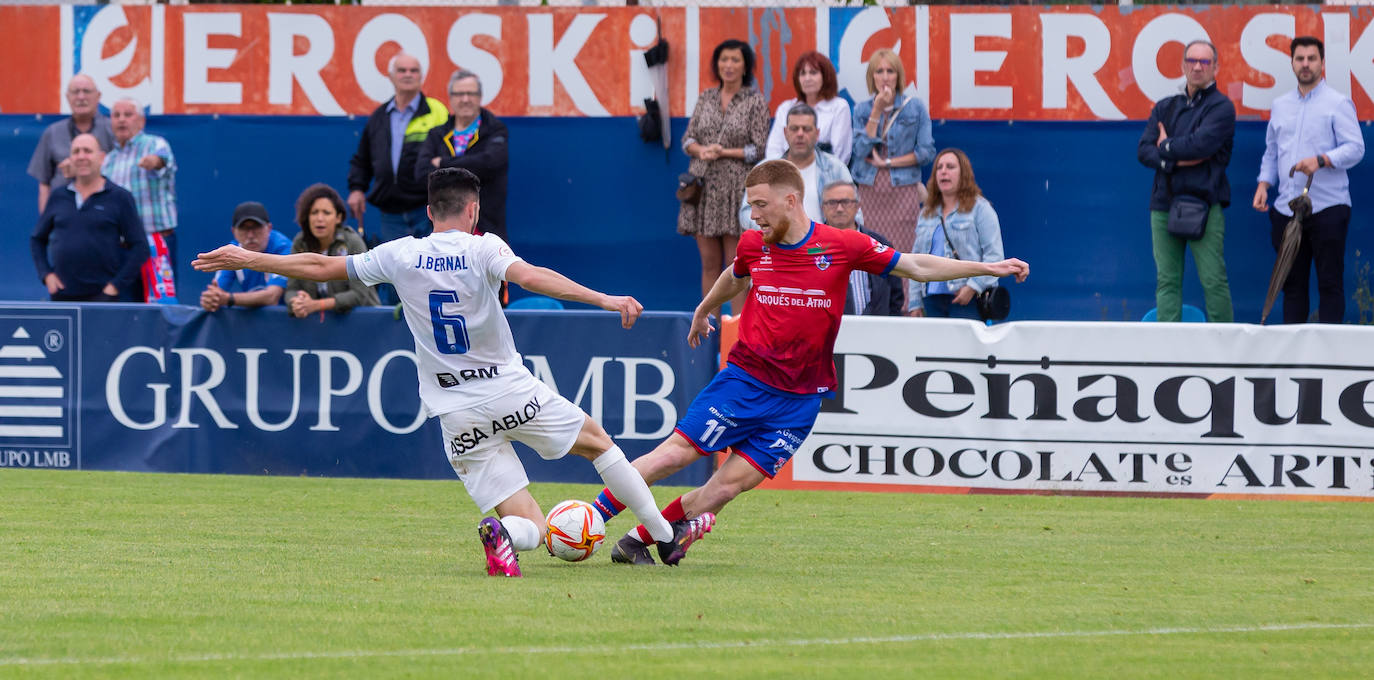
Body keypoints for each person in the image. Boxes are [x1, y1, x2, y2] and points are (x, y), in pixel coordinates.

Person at [193, 168, 712, 576]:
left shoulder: (400, 253)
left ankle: (506, 538)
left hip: (453, 412)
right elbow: (532, 277)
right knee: (600, 443)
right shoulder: (483, 245)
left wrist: (252, 258)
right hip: (509, 391)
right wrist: (603, 298)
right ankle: (665, 542)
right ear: (473, 210)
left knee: (527, 521)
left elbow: (321, 268)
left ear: (427, 211)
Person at [591, 160, 1028, 565]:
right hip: (745, 382)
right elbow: (734, 275)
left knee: (725, 487)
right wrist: (705, 308)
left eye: (761, 205)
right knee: (675, 454)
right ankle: (588, 522)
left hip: (799, 403)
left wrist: (987, 268)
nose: (754, 215)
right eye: (750, 206)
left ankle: (637, 543)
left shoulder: (841, 245)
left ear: (791, 200)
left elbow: (915, 265)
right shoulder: (752, 244)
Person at [1253, 36, 1365, 324]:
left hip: (1328, 208)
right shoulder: (1280, 105)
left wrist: (1322, 160)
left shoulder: (1338, 103)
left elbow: (1356, 148)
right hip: (1286, 210)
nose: (1305, 64)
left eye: (1311, 58)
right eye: (1299, 58)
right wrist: (1264, 184)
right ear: (1292, 63)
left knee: (1329, 285)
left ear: (1322, 63)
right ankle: (1295, 360)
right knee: (1292, 287)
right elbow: (1272, 150)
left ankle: (1329, 361)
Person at [1137, 40, 1235, 323]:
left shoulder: (1222, 108)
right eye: (1192, 60)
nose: (1197, 67)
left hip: (1205, 205)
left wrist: (1165, 146)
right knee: (1167, 282)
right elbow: (1144, 150)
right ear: (1182, 65)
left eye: (1205, 62)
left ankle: (1226, 351)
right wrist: (1173, 157)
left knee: (1213, 281)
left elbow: (1201, 146)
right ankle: (1169, 352)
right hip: (1163, 205)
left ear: (1215, 67)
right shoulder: (1165, 107)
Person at [347, 53, 449, 305]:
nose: (407, 75)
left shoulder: (437, 111)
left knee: (431, 273)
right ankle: (397, 335)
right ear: (391, 76)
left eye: (413, 70)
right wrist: (357, 189)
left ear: (421, 76)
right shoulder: (379, 117)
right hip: (390, 212)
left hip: (427, 208)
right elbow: (362, 158)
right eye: (402, 70)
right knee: (395, 275)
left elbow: (451, 154)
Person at [678, 38, 770, 319]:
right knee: (709, 263)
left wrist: (724, 152)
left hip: (736, 188)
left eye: (735, 60)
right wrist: (701, 150)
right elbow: (687, 139)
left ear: (745, 66)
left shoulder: (754, 100)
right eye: (723, 60)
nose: (728, 66)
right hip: (704, 188)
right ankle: (710, 325)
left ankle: (736, 328)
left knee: (736, 265)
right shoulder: (706, 96)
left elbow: (760, 147)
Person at [30, 134, 147, 302]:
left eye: (87, 151)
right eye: (76, 152)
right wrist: (46, 275)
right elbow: (37, 239)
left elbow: (140, 247)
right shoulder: (58, 196)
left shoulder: (120, 197)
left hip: (104, 298)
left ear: (102, 158)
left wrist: (115, 286)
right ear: (70, 158)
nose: (81, 156)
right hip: (62, 296)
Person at [850, 49, 935, 254]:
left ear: (899, 76)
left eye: (890, 71)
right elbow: (860, 150)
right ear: (872, 76)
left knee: (903, 255)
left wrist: (888, 163)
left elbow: (926, 152)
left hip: (903, 189)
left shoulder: (915, 107)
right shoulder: (862, 109)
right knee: (871, 253)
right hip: (869, 189)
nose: (885, 77)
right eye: (879, 71)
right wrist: (877, 111)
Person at [906, 149, 1006, 319]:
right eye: (939, 167)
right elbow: (916, 259)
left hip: (967, 300)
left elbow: (995, 256)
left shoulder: (981, 209)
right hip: (930, 299)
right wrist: (915, 302)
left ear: (964, 174)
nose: (943, 171)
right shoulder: (926, 213)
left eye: (950, 167)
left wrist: (973, 287)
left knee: (964, 346)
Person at [416, 70, 509, 243]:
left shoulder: (495, 130)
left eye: (471, 93)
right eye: (459, 94)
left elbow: (490, 163)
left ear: (480, 97)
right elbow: (422, 174)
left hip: (485, 230)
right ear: (450, 98)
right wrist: (472, 166)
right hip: (440, 232)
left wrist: (442, 163)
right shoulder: (437, 134)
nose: (465, 99)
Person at [102, 98, 178, 302]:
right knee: (126, 309)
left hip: (156, 242)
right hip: (123, 249)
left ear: (142, 121)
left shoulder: (155, 144)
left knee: (161, 311)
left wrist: (155, 162)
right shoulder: (108, 161)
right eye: (116, 115)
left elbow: (164, 161)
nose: (121, 120)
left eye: (128, 114)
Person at [738, 103, 852, 230]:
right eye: (794, 128)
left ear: (817, 133)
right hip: (778, 245)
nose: (800, 134)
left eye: (806, 129)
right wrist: (776, 229)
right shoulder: (765, 169)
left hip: (824, 246)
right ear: (785, 132)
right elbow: (746, 213)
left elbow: (854, 213)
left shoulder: (836, 168)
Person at [285, 184, 379, 318]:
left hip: (363, 323)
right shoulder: (300, 243)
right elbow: (291, 289)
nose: (319, 218)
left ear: (338, 218)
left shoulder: (352, 241)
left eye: (326, 213)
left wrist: (316, 305)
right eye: (314, 212)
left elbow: (358, 295)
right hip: (319, 327)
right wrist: (297, 302)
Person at [28, 74, 116, 213]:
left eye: (86, 91)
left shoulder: (113, 130)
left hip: (103, 212)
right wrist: (45, 221)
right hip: (62, 214)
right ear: (67, 97)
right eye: (75, 92)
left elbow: (122, 170)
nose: (81, 97)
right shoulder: (53, 132)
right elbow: (44, 183)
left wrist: (82, 168)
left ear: (98, 96)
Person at [820, 182, 903, 316]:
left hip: (875, 329)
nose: (839, 208)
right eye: (832, 203)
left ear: (858, 206)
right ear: (822, 207)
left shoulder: (879, 244)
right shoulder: (813, 247)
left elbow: (896, 293)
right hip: (830, 332)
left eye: (846, 202)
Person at [199, 202, 292, 312]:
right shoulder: (230, 252)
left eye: (256, 227)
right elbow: (217, 294)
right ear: (234, 232)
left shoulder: (283, 248)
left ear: (269, 228)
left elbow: (272, 297)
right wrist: (210, 300)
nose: (250, 235)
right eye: (243, 228)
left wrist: (229, 299)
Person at [764, 51, 851, 165]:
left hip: (826, 177)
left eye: (813, 73)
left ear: (826, 76)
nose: (807, 78)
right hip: (787, 177)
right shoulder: (786, 108)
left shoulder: (839, 107)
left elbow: (840, 154)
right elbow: (773, 150)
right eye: (803, 73)